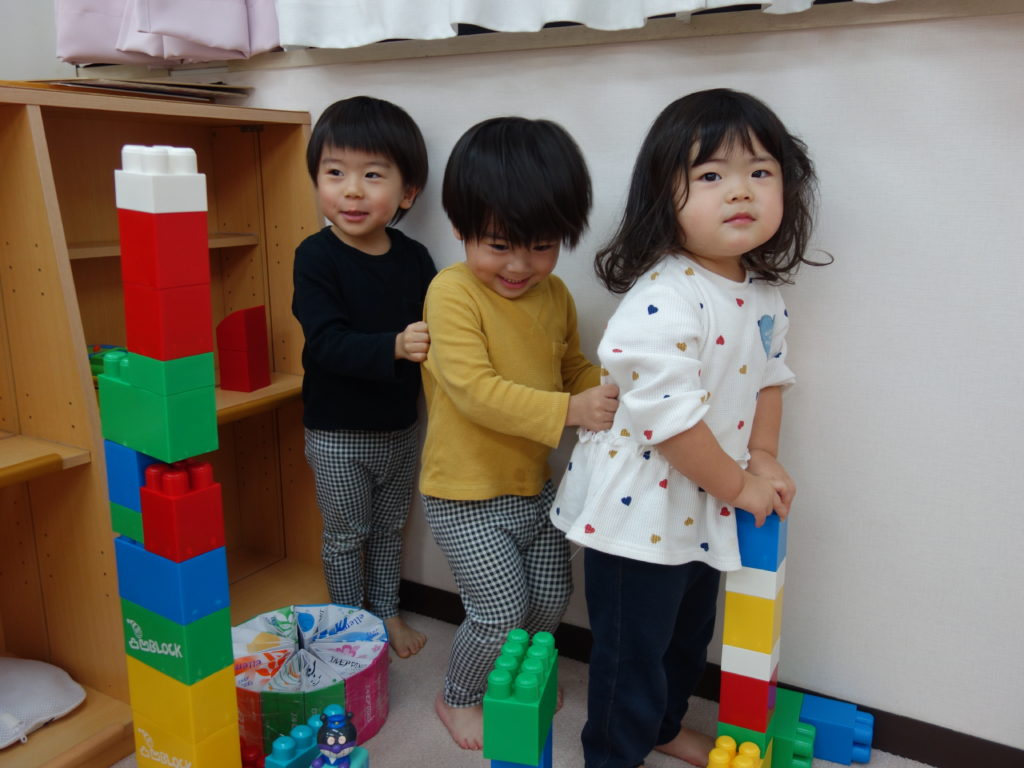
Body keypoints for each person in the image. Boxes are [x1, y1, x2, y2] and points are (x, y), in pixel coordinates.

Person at [550, 88, 826, 768]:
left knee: (687, 635)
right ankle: (614, 755)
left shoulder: (763, 295)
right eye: (710, 175)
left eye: (759, 172)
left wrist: (763, 457)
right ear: (662, 198)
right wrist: (741, 485)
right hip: (639, 511)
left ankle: (664, 727)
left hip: (706, 498)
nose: (740, 190)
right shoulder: (664, 297)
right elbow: (670, 425)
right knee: (632, 652)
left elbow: (769, 379)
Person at [419, 116, 620, 750]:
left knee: (553, 596)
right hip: (464, 492)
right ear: (460, 229)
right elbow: (475, 392)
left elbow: (571, 369)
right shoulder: (451, 293)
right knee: (499, 610)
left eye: (540, 246)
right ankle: (458, 697)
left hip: (533, 486)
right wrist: (572, 411)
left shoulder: (554, 294)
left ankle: (518, 680)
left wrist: (615, 387)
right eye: (499, 245)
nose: (519, 265)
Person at [292, 96, 436, 659]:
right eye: (335, 173)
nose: (351, 191)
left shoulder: (416, 259)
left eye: (372, 175)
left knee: (390, 528)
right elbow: (325, 343)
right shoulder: (316, 257)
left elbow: (438, 333)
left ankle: (388, 613)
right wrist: (395, 345)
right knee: (347, 535)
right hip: (337, 433)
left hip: (400, 428)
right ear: (317, 181)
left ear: (407, 192)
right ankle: (349, 627)